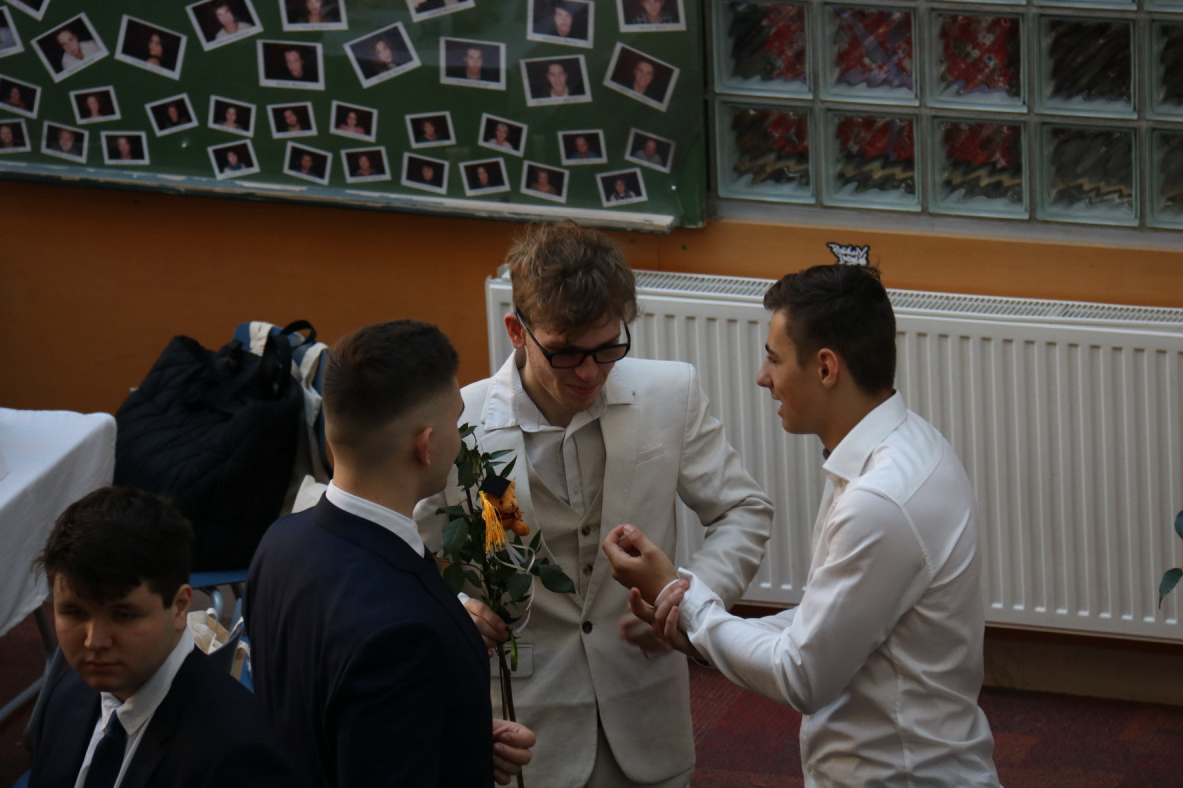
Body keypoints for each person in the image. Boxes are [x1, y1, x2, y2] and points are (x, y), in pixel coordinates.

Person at [604, 264, 1003, 787]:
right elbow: (826, 622)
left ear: (826, 368)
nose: (762, 377)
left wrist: (684, 599)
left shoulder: (878, 501)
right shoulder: (911, 446)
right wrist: (694, 623)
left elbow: (802, 675)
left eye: (774, 358)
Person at [413, 221, 773, 788]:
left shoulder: (670, 394)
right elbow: (407, 553)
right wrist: (455, 609)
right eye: (565, 353)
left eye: (607, 349)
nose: (589, 372)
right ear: (517, 331)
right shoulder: (461, 422)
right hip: (524, 726)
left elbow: (743, 510)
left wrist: (686, 602)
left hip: (647, 711)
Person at [246, 319, 536, 787]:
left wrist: (459, 738)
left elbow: (321, 717)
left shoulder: (279, 543)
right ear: (425, 445)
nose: (461, 436)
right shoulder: (406, 631)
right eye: (456, 420)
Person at [27, 485, 300, 788]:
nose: (95, 641)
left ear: (180, 606)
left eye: (124, 615)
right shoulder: (67, 695)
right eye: (74, 613)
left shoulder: (239, 756)